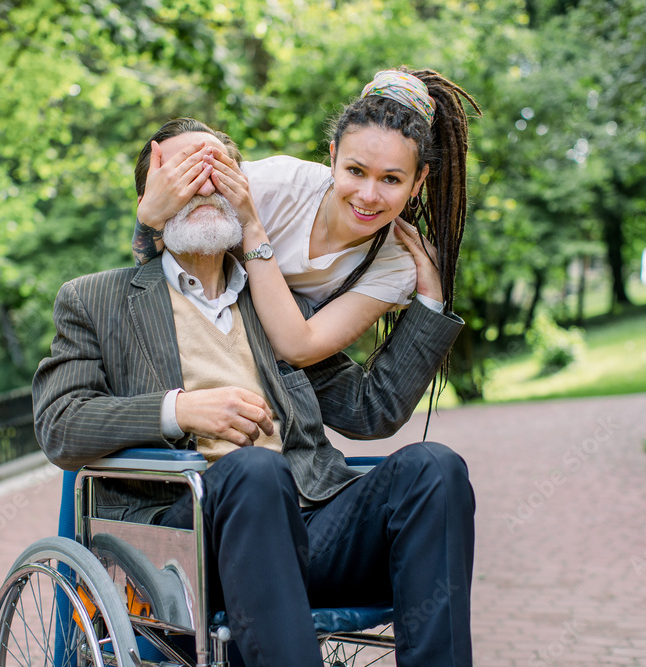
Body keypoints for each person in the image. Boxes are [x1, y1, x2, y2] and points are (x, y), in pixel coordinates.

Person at [33, 123, 475, 666]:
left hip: (308, 529)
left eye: (216, 170)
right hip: (186, 544)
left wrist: (428, 303)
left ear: (243, 187)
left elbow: (371, 409)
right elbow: (60, 425)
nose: (201, 185)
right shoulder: (96, 301)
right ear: (150, 200)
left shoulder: (276, 306)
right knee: (255, 470)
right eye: (181, 174)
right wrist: (181, 409)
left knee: (435, 468)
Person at [132, 66, 479, 367]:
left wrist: (253, 229)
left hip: (287, 381)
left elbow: (301, 348)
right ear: (333, 157)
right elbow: (165, 271)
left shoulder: (395, 265)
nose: (368, 196)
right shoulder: (270, 186)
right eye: (355, 171)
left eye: (391, 178)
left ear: (418, 181)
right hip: (201, 346)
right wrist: (148, 217)